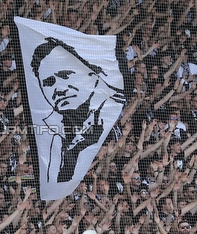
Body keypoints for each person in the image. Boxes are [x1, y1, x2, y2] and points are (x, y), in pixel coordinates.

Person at [30, 37, 126, 188]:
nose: (59, 89)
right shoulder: (45, 128)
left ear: (91, 75)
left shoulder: (114, 104)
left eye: (64, 75)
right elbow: (54, 182)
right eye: (48, 83)